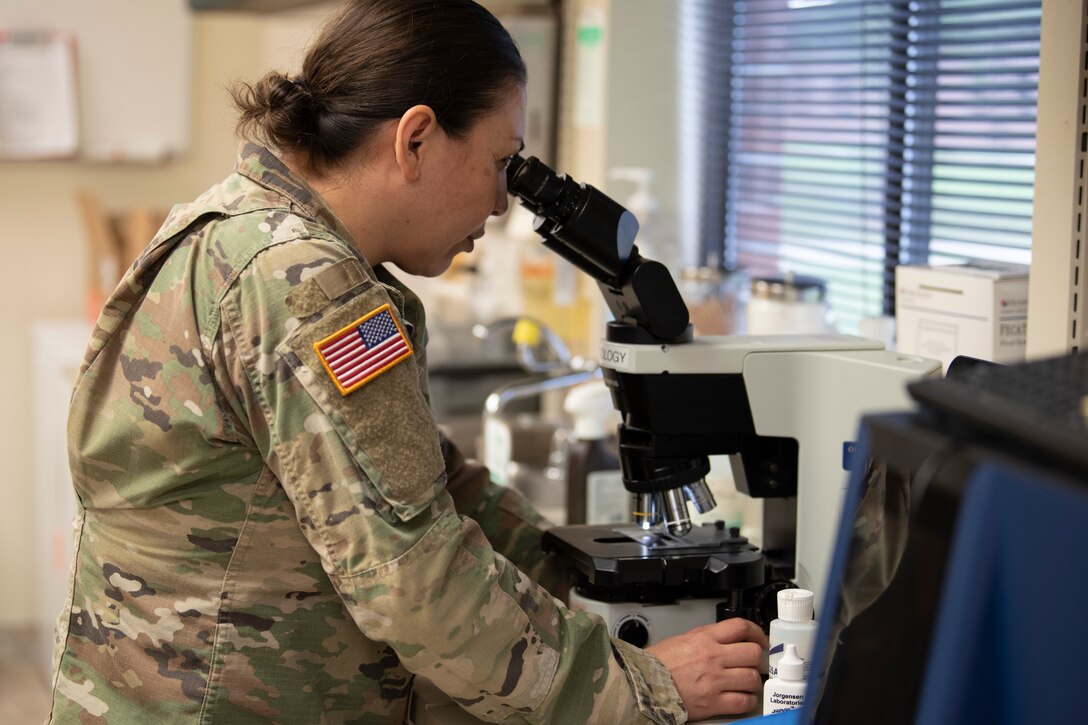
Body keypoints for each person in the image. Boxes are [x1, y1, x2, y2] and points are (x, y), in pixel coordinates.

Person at [48, 1, 766, 722]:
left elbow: (432, 486)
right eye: (498, 163)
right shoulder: (304, 285)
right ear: (415, 139)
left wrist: (586, 575)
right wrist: (643, 687)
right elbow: (417, 584)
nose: (498, 202)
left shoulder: (246, 226)